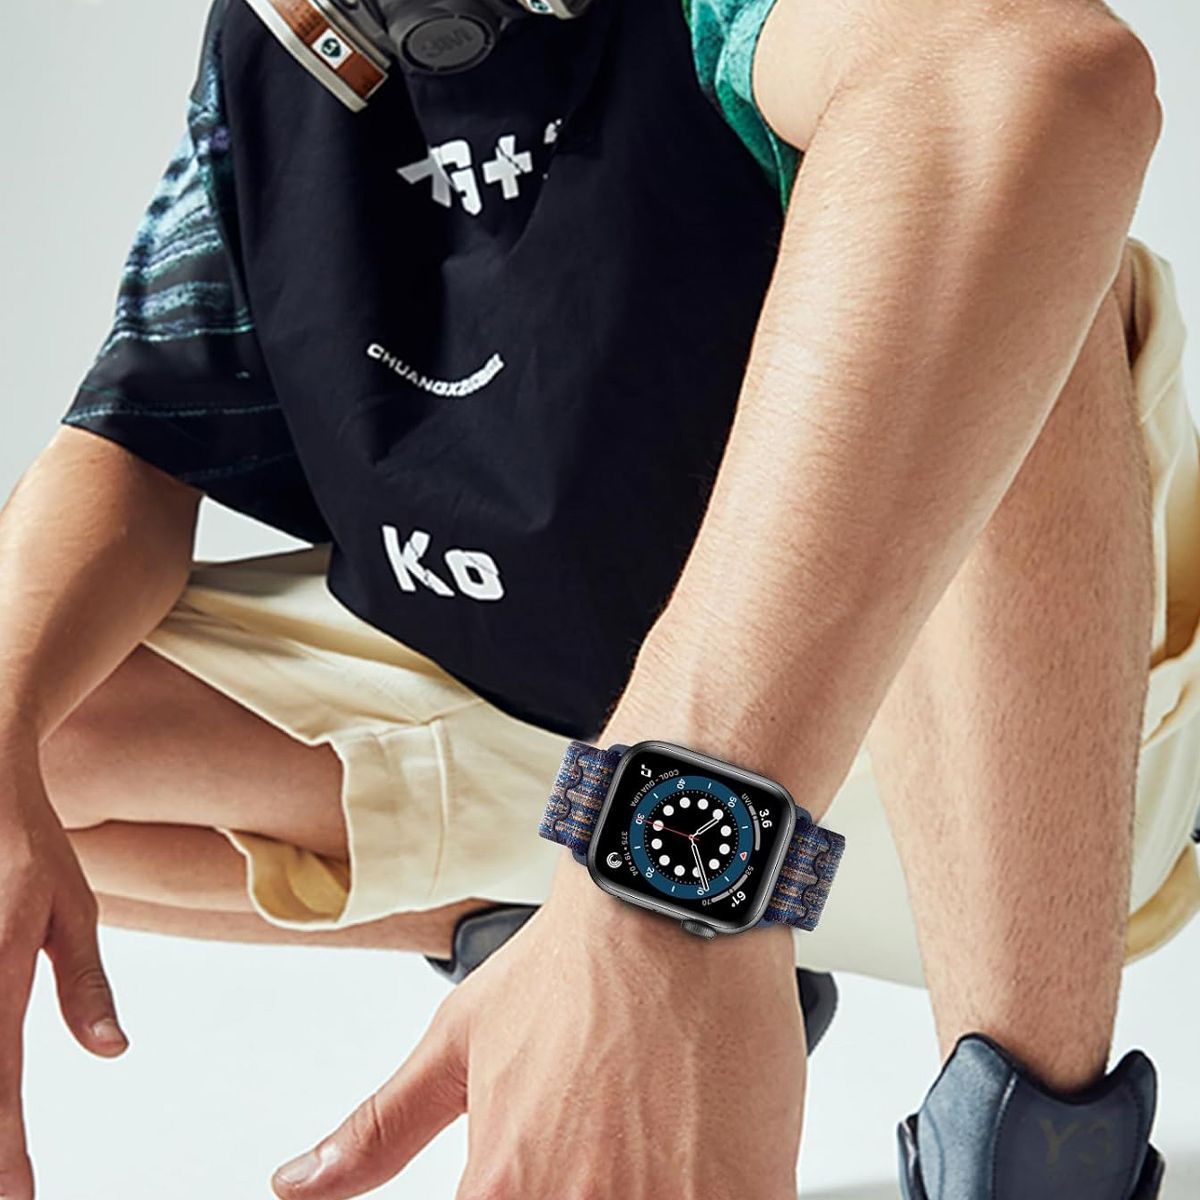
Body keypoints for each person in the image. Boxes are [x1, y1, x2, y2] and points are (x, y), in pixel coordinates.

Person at [0, 0, 1195, 1197]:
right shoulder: (277, 56)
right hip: (570, 775)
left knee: (996, 240)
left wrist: (664, 880)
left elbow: (1028, 73)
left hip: (1003, 795)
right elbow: (134, 435)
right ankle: (551, 936)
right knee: (29, 690)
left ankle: (1032, 1140)